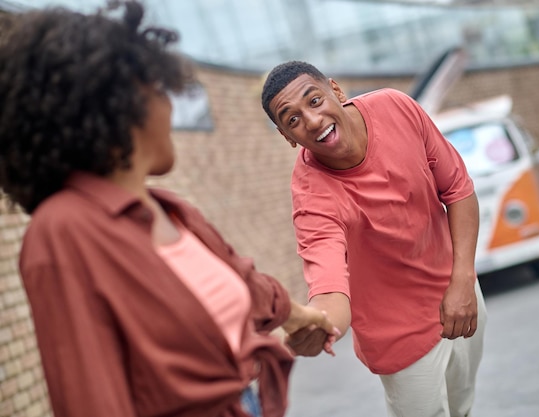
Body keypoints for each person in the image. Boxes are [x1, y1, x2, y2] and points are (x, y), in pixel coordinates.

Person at [0, 4, 338, 417]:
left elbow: (245, 286)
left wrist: (303, 317)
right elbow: (91, 398)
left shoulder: (170, 210)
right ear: (123, 105)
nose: (170, 108)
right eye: (159, 90)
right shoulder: (64, 230)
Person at [261, 60, 487, 417]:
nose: (312, 120)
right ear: (288, 137)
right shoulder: (312, 197)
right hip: (401, 338)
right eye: (292, 119)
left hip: (462, 297)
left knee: (464, 407)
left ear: (335, 91)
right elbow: (329, 282)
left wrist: (463, 280)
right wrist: (320, 323)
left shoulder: (396, 107)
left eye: (314, 101)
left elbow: (458, 189)